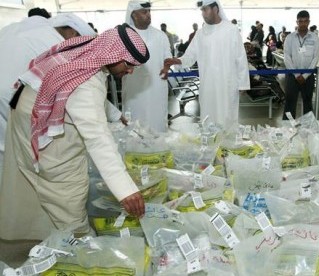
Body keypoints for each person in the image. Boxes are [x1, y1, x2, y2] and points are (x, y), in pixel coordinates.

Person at [0, 24, 150, 241]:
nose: (130, 70)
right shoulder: (87, 83)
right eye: (129, 64)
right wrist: (125, 190)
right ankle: (79, 239)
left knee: (46, 185)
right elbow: (98, 139)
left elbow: (80, 91)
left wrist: (116, 115)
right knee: (67, 187)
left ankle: (53, 234)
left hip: (28, 115)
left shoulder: (87, 52)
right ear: (115, 54)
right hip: (40, 127)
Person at [0, 13, 97, 190]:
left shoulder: (12, 28)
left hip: (10, 98)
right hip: (12, 103)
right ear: (73, 34)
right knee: (22, 162)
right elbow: (80, 88)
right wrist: (113, 114)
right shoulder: (54, 42)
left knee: (6, 160)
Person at [162, 0, 249, 126]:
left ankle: (228, 145)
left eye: (205, 9)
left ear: (215, 9)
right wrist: (177, 60)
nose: (203, 13)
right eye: (201, 10)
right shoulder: (200, 33)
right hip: (208, 86)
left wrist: (243, 84)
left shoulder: (231, 30)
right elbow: (190, 56)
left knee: (227, 121)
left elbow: (241, 58)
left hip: (227, 85)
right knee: (208, 120)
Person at [123, 0, 172, 133]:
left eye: (149, 11)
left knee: (157, 123)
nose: (149, 14)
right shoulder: (125, 36)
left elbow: (167, 55)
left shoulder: (160, 36)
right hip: (134, 90)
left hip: (157, 87)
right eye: (144, 12)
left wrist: (167, 66)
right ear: (134, 15)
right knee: (136, 124)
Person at [282, 10, 319, 120]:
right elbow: (287, 57)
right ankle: (287, 128)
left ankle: (308, 129)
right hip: (292, 74)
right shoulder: (290, 38)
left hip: (308, 76)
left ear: (309, 22)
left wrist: (305, 76)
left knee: (308, 102)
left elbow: (315, 58)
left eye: (305, 21)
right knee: (289, 102)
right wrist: (297, 74)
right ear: (297, 22)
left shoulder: (314, 38)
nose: (303, 24)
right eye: (300, 21)